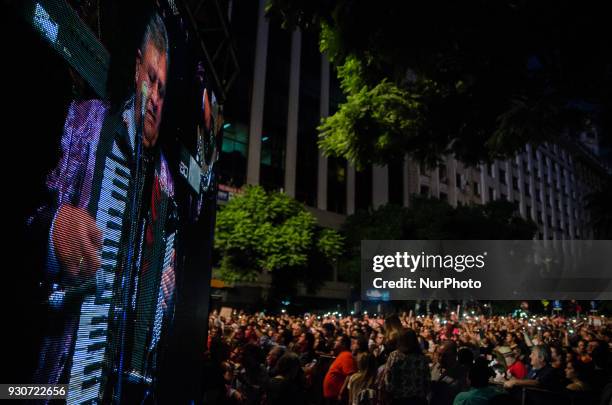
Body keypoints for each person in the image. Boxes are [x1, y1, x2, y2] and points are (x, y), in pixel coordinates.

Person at [30, 11, 176, 396]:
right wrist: (52, 226)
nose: (156, 98)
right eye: (152, 80)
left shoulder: (164, 182)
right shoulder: (85, 123)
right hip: (56, 372)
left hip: (116, 376)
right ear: (135, 72)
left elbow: (156, 300)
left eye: (163, 89)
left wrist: (162, 298)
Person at [383, 328, 431, 405]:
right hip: (417, 400)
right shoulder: (421, 358)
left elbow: (388, 379)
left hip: (399, 400)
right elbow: (427, 381)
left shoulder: (394, 356)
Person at [323, 334, 357, 405]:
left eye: (337, 340)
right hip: (332, 396)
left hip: (336, 397)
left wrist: (341, 392)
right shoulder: (341, 355)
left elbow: (350, 375)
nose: (335, 342)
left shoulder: (347, 355)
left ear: (344, 344)